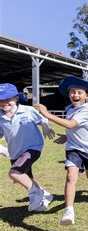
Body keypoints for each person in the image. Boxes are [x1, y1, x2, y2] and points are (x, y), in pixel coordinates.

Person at [35, 76, 88, 225]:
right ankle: (69, 211)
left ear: (87, 95)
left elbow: (71, 124)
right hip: (73, 149)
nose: (75, 95)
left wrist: (47, 114)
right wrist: (66, 137)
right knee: (71, 177)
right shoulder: (70, 109)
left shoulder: (86, 110)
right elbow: (73, 129)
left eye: (79, 92)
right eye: (72, 92)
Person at [0, 83, 55, 212]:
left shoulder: (27, 110)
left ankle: (36, 195)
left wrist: (46, 128)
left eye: (8, 99)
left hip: (32, 147)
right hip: (15, 152)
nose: (4, 103)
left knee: (14, 172)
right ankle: (44, 195)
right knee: (26, 178)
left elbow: (42, 120)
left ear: (16, 98)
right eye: (1, 100)